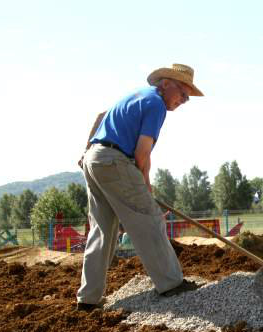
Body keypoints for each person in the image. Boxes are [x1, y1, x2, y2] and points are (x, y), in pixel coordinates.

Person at [76, 64, 203, 311]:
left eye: (188, 98)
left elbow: (101, 116)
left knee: (102, 229)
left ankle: (88, 299)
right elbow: (142, 152)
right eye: (183, 94)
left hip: (94, 159)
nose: (184, 101)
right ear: (166, 83)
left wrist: (86, 150)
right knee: (149, 219)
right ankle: (171, 284)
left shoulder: (135, 96)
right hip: (114, 161)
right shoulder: (156, 104)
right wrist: (144, 186)